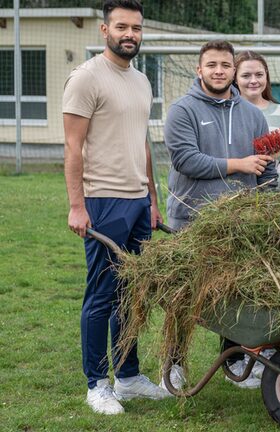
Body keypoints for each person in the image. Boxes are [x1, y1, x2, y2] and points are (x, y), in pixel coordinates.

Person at [62, 0, 170, 415]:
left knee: (133, 293)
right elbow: (72, 146)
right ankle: (96, 383)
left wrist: (153, 199)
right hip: (103, 200)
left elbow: (141, 143)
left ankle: (127, 377)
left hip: (138, 200)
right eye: (122, 26)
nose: (130, 34)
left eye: (137, 28)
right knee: (103, 294)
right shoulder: (87, 78)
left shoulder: (141, 80)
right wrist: (77, 205)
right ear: (104, 29)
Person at [164, 39, 277, 390]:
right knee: (186, 295)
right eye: (211, 65)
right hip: (193, 220)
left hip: (240, 224)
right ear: (199, 70)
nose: (218, 71)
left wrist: (266, 200)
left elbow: (266, 168)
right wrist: (237, 165)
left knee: (237, 296)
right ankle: (175, 363)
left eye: (225, 65)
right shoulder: (182, 110)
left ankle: (237, 360)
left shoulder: (253, 115)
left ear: (233, 70)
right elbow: (186, 160)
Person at [235, 50, 280, 192]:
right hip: (231, 199)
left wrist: (271, 186)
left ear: (266, 76)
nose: (254, 81)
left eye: (259, 75)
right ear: (235, 78)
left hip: (270, 201)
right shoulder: (225, 113)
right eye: (246, 75)